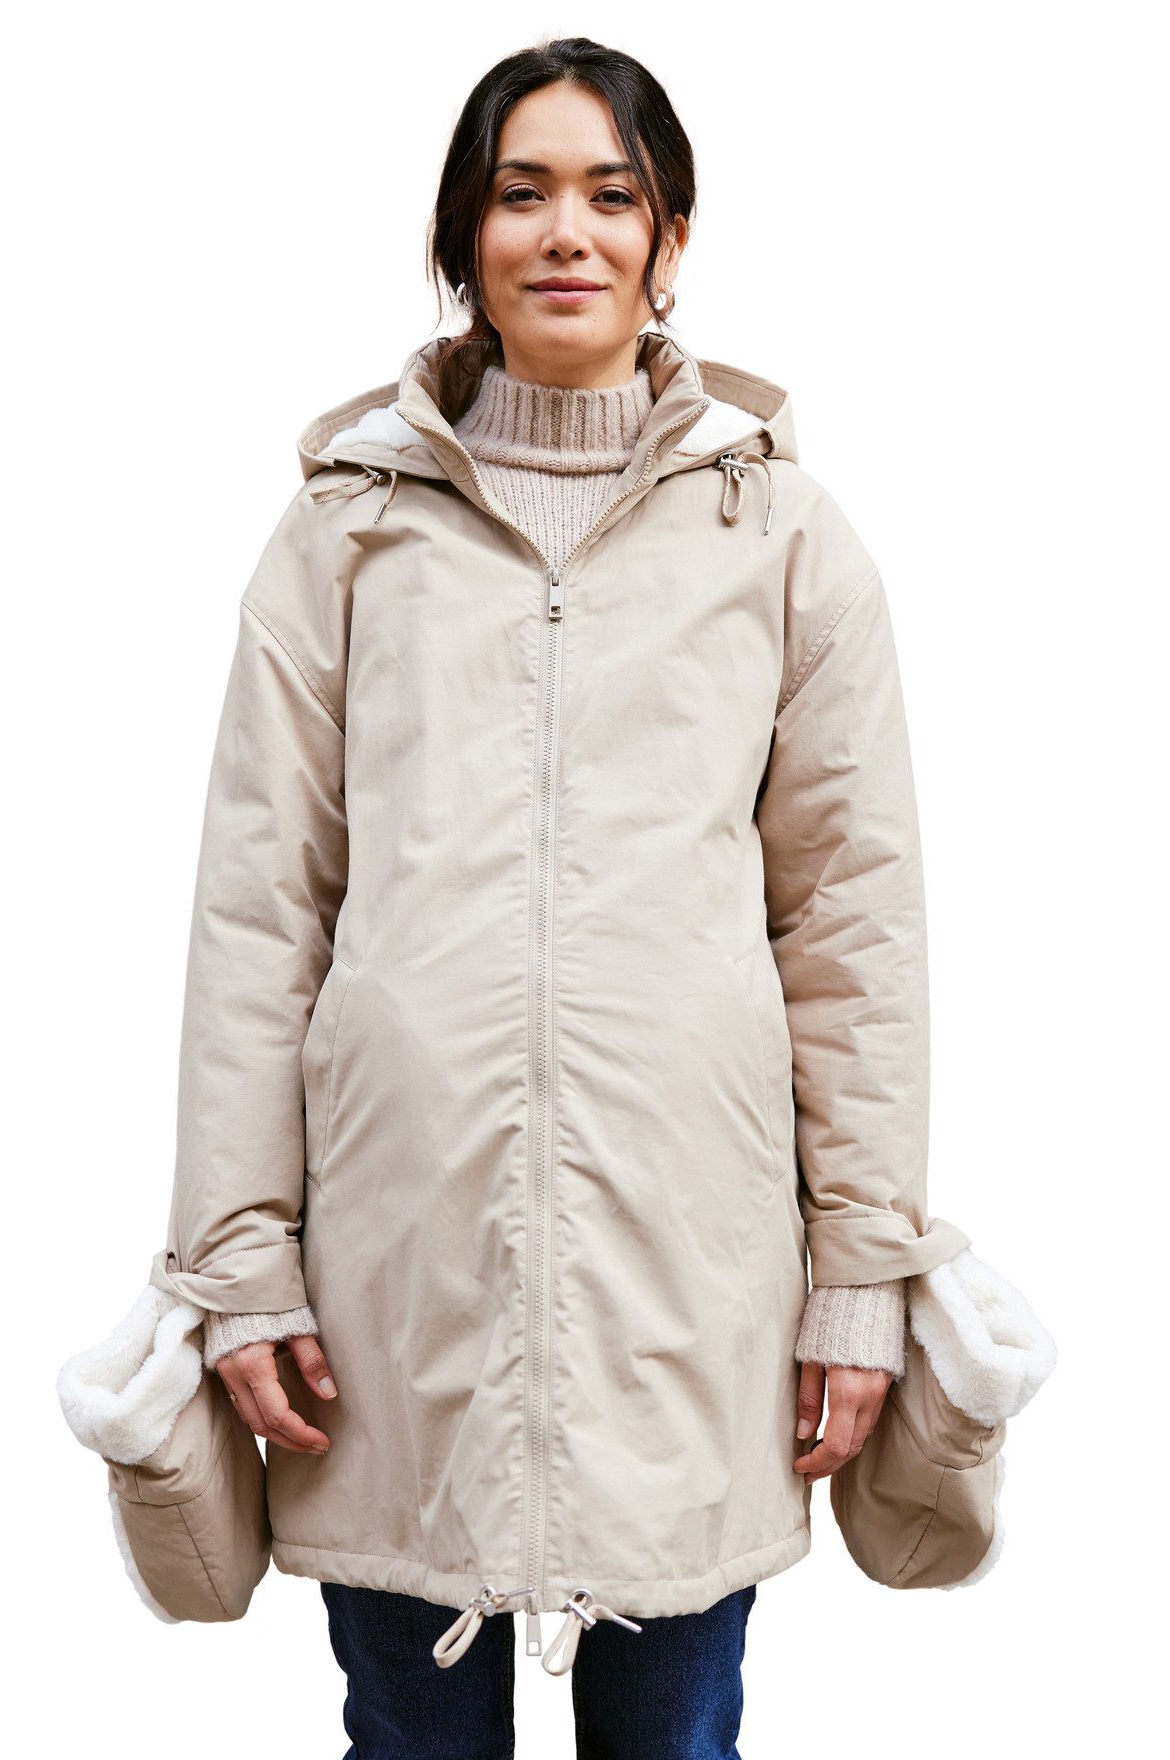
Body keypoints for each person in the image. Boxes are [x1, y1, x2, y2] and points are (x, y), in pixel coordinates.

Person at [149, 35, 970, 1760]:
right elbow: (258, 915)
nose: (566, 232)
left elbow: (855, 930)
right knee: (409, 1741)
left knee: (674, 1743)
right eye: (522, 194)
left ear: (673, 236)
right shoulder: (345, 534)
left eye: (612, 193)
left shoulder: (782, 538)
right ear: (467, 235)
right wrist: (240, 1260)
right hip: (395, 1280)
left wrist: (861, 1269)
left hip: (691, 1274)